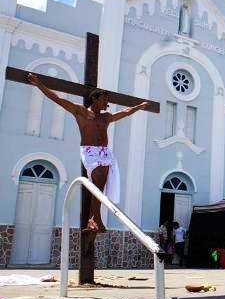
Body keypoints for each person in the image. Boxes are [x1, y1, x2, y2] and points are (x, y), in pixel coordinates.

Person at [27, 73, 150, 232]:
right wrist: (39, 84)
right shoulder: (80, 111)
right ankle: (95, 218)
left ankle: (93, 219)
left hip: (105, 153)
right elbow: (58, 99)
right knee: (100, 174)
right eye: (104, 99)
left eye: (107, 100)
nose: (107, 103)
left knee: (102, 179)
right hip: (90, 151)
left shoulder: (106, 117)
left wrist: (139, 107)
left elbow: (126, 112)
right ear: (94, 99)